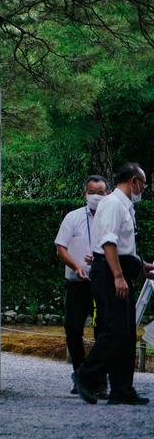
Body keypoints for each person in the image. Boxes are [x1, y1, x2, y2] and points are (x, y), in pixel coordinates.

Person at [75, 162, 154, 405]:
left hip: (119, 271)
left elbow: (123, 246)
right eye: (143, 184)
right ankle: (85, 376)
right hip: (109, 274)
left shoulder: (124, 206)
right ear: (133, 181)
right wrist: (118, 276)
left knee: (128, 333)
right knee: (115, 329)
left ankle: (122, 389)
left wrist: (141, 266)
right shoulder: (112, 203)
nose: (143, 189)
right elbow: (108, 243)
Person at [54, 175, 108, 396]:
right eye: (92, 192)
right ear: (85, 193)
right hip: (77, 284)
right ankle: (80, 375)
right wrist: (76, 266)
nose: (96, 196)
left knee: (103, 332)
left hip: (101, 284)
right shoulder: (73, 217)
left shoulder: (111, 218)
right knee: (73, 330)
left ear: (107, 193)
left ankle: (100, 380)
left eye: (101, 192)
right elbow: (60, 247)